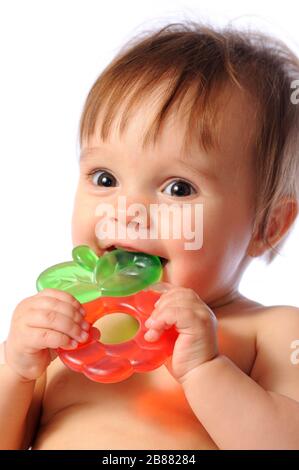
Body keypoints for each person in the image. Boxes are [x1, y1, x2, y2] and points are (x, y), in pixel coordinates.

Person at [1, 21, 299, 450]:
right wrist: (15, 370)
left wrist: (206, 369)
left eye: (179, 188)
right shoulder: (60, 332)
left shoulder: (271, 332)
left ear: (266, 226)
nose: (128, 212)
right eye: (104, 178)